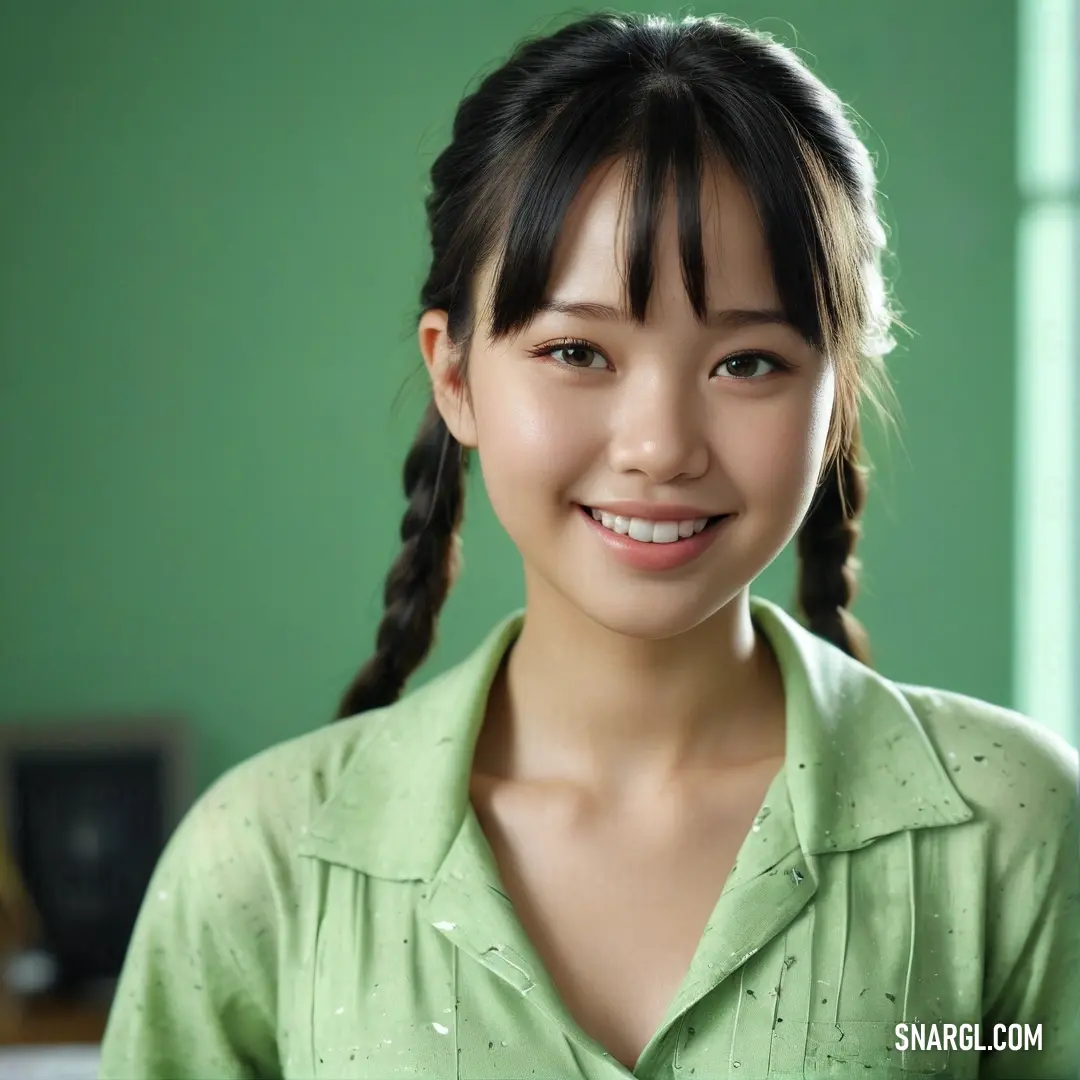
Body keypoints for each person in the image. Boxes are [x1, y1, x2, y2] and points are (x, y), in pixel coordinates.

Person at [99, 11, 1079, 1079]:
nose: (660, 447)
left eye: (746, 362)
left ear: (837, 395)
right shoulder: (257, 866)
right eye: (578, 350)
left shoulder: (1013, 834)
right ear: (456, 374)